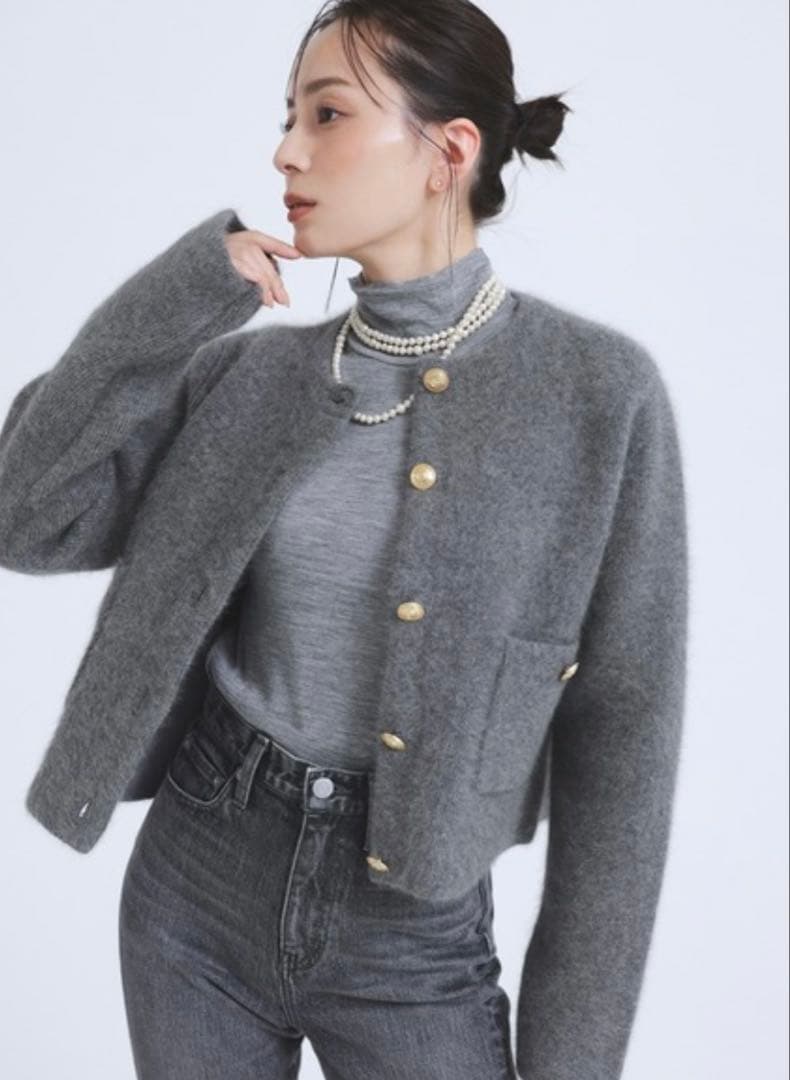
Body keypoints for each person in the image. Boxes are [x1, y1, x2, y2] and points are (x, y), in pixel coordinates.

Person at [0, 2, 688, 1078]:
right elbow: (24, 513)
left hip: (413, 940)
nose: (286, 151)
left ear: (447, 153)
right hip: (194, 885)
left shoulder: (597, 396)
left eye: (326, 115)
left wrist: (571, 1063)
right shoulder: (252, 375)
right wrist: (182, 297)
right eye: (288, 116)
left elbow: (625, 753)